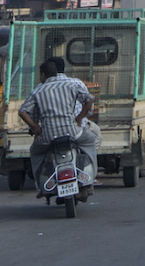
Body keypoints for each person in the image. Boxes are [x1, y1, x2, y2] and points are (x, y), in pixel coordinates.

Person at [20, 57, 98, 198]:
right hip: (72, 132)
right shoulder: (71, 85)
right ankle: (90, 180)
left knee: (35, 152)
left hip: (48, 136)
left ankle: (40, 185)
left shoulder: (38, 90)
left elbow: (23, 111)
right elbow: (90, 99)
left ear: (43, 74)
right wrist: (79, 117)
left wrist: (35, 127)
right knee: (91, 141)